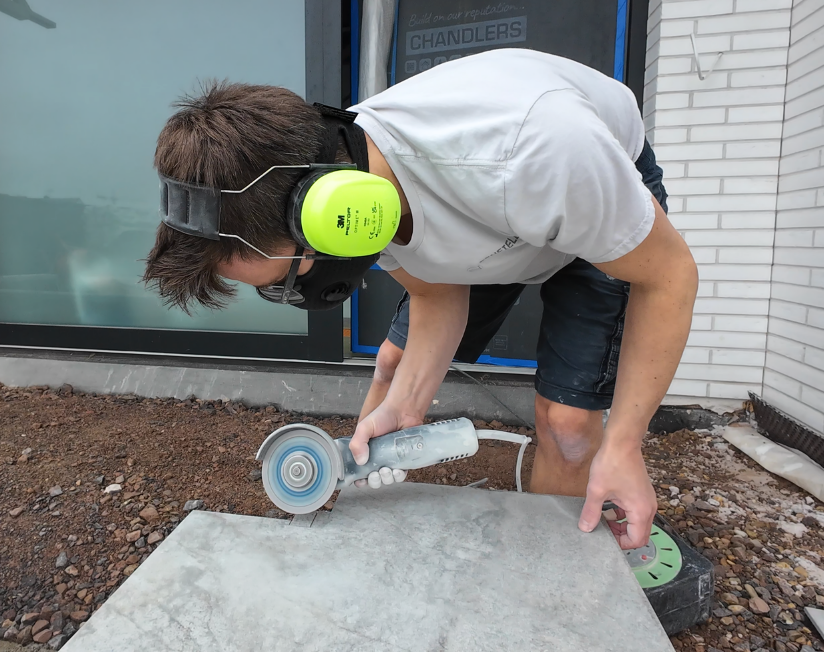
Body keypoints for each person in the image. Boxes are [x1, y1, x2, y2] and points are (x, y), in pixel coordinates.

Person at [143, 48, 698, 549]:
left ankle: (546, 573)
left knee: (569, 427)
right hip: (497, 215)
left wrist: (625, 442)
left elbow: (670, 275)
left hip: (584, 187)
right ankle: (346, 493)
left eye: (281, 281)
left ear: (327, 214)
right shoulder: (354, 185)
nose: (285, 294)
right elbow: (437, 293)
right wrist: (406, 408)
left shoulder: (537, 153)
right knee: (395, 363)